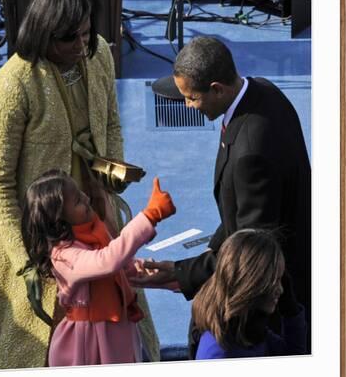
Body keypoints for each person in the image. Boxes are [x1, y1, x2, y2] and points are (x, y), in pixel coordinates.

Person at [0, 0, 160, 370]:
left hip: (94, 215)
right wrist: (26, 262)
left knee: (115, 317)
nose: (82, 44)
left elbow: (111, 122)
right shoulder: (13, 83)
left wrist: (111, 176)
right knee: (42, 349)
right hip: (40, 236)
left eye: (85, 32)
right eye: (70, 38)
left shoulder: (97, 55)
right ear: (44, 34)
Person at [132, 36, 311, 353]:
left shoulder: (250, 154)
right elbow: (237, 219)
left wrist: (181, 274)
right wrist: (186, 268)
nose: (187, 105)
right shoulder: (263, 92)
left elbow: (250, 251)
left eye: (192, 98)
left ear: (217, 88)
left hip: (269, 306)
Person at [21, 170, 175, 366]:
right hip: (88, 343)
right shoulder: (63, 257)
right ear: (59, 221)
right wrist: (151, 215)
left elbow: (119, 268)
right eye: (77, 201)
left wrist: (160, 274)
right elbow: (108, 261)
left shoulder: (92, 233)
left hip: (118, 330)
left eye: (80, 194)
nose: (86, 198)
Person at [192, 229, 306, 359]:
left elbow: (293, 359)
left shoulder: (246, 327)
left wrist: (290, 310)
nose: (281, 290)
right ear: (250, 284)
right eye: (273, 281)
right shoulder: (219, 353)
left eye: (281, 280)